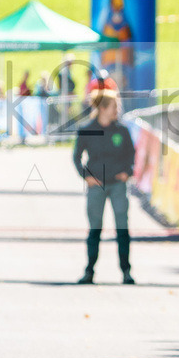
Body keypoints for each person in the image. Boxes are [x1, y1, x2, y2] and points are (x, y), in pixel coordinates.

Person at [72, 89, 137, 285]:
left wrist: (128, 172)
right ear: (102, 108)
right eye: (113, 106)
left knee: (122, 227)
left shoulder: (122, 130)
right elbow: (76, 157)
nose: (117, 110)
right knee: (95, 228)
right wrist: (87, 177)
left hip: (118, 185)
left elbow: (131, 154)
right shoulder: (87, 129)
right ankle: (89, 270)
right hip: (96, 186)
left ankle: (126, 271)